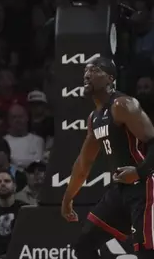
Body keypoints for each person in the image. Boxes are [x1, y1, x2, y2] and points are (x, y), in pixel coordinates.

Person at [61, 57, 154, 258]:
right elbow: (84, 162)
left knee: (146, 253)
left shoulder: (123, 104)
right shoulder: (94, 118)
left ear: (110, 78)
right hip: (120, 190)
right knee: (84, 246)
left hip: (145, 185)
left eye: (94, 70)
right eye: (85, 71)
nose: (87, 75)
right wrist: (68, 198)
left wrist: (139, 172)